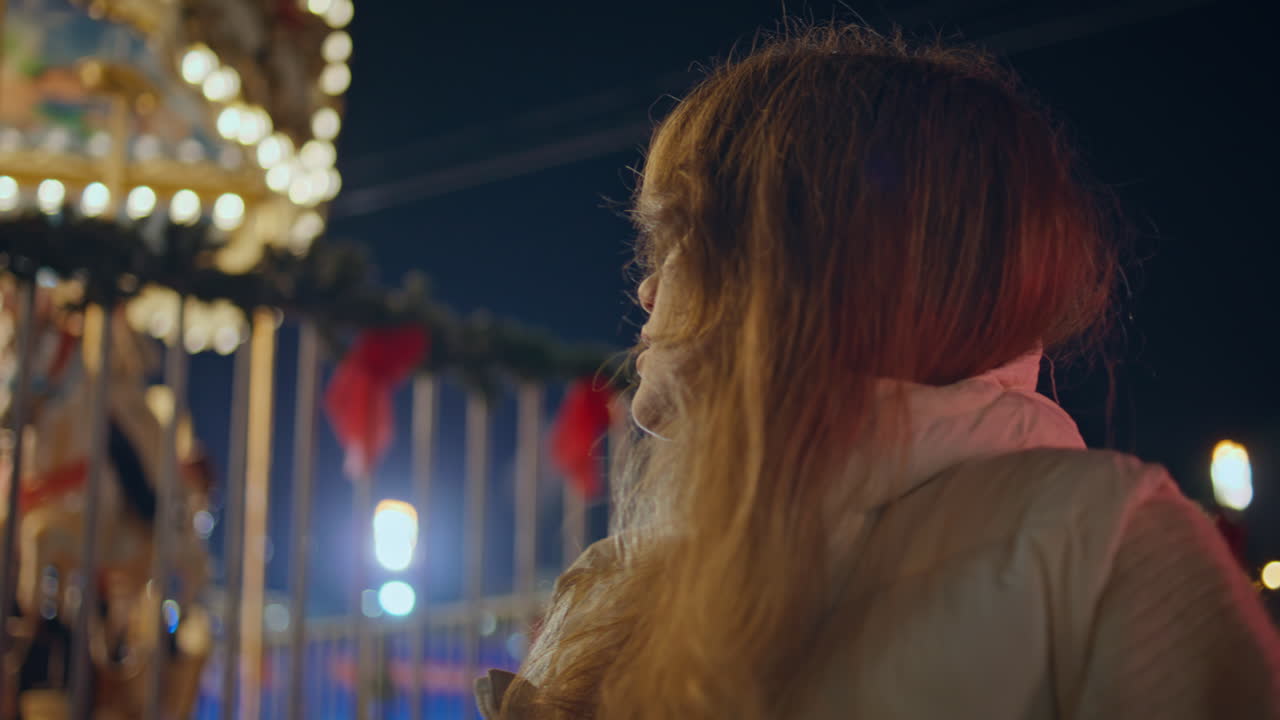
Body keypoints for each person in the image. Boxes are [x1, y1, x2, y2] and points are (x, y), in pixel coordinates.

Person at [475, 25, 1280, 720]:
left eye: (681, 231)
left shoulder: (1103, 546)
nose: (646, 289)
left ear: (808, 258)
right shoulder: (614, 580)